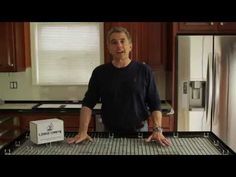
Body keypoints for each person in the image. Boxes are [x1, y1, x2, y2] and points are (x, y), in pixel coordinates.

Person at [67, 26, 171, 146]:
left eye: (122, 41)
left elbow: (155, 103)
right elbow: (88, 103)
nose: (119, 46)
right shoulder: (100, 72)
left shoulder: (144, 70)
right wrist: (82, 131)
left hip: (139, 132)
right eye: (114, 42)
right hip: (108, 132)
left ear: (130, 46)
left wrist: (157, 130)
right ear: (109, 48)